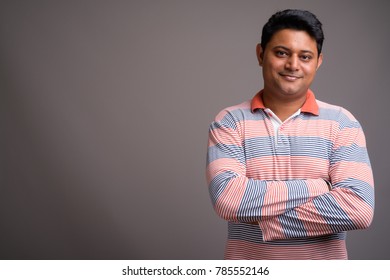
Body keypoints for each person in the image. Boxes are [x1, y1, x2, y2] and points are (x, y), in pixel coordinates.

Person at [206, 9, 374, 259]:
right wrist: (319, 186)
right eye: (281, 53)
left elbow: (358, 209)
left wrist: (267, 225)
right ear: (261, 54)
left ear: (318, 62)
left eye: (305, 56)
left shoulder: (342, 123)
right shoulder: (229, 122)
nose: (293, 65)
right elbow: (228, 199)